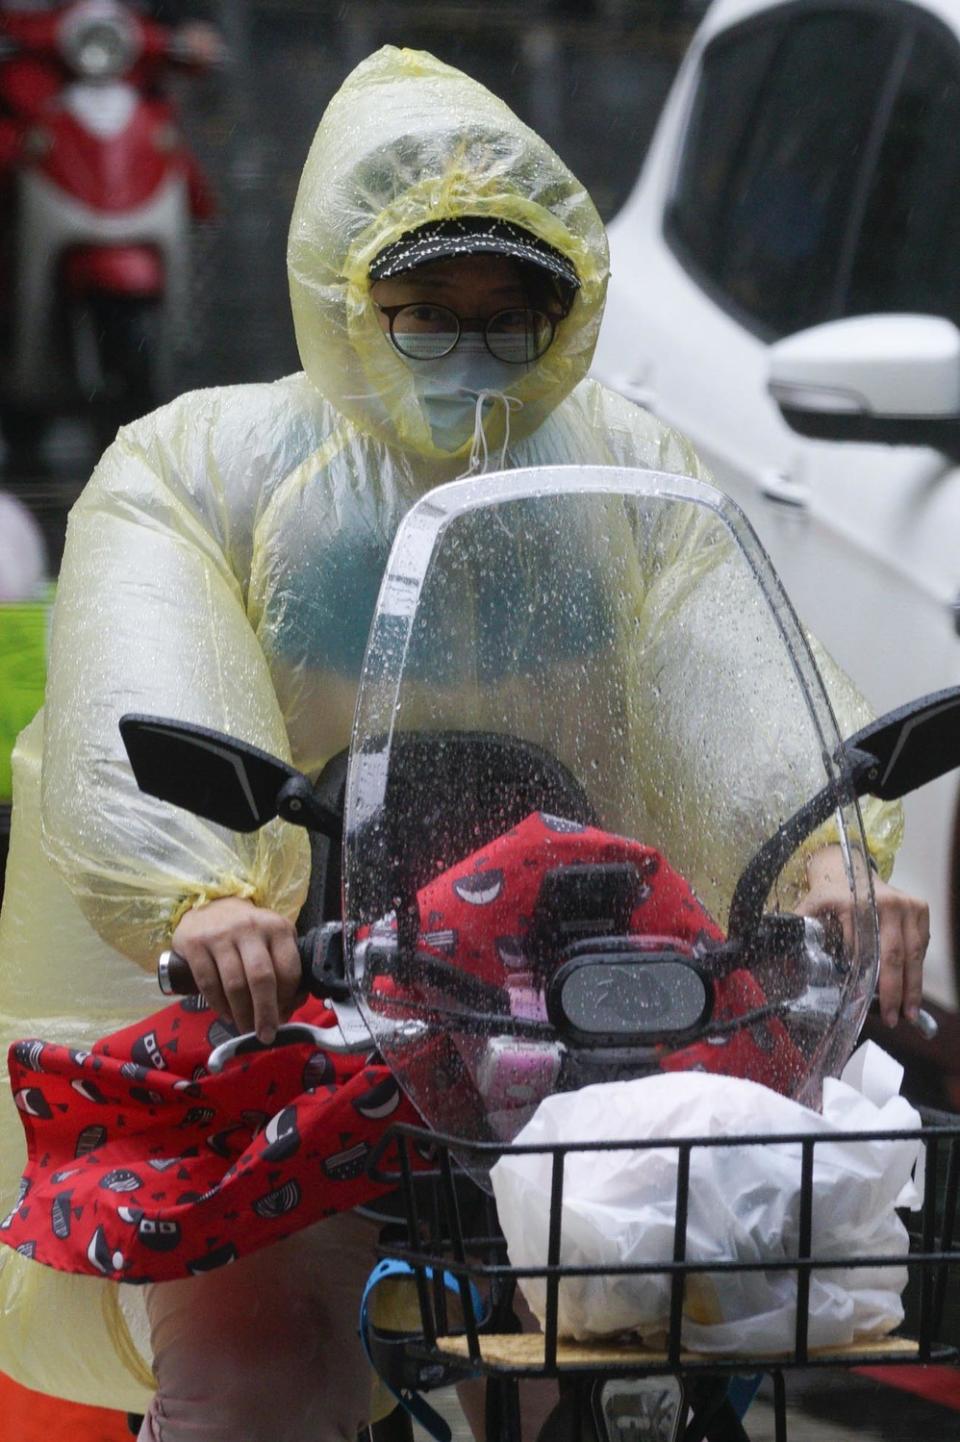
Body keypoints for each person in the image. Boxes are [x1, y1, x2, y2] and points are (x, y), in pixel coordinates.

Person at [0, 44, 928, 1441]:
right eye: (427, 310)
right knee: (256, 1370)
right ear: (343, 297)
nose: (474, 345)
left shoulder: (630, 465)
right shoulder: (202, 462)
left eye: (514, 310)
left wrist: (826, 864)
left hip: (572, 1023)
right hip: (290, 1018)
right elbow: (144, 663)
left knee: (640, 1342)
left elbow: (720, 663)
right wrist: (205, 896)